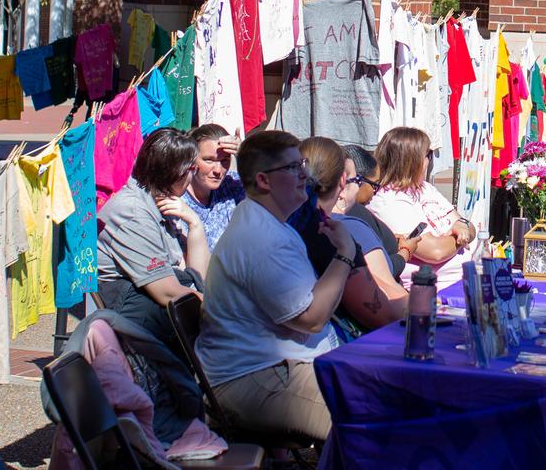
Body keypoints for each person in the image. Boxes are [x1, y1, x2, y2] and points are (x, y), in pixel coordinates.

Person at [198, 130, 358, 445]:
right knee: (368, 419)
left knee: (384, 395)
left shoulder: (271, 225)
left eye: (303, 166)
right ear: (264, 181)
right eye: (292, 168)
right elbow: (311, 318)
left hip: (281, 367)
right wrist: (345, 254)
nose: (304, 175)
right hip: (254, 378)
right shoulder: (261, 238)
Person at [96, 128, 212, 345]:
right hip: (137, 319)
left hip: (157, 310)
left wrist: (195, 224)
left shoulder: (161, 201)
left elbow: (198, 276)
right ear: (173, 171)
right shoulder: (133, 213)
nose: (193, 176)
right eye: (192, 169)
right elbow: (166, 293)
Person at [298, 137, 408, 332]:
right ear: (342, 181)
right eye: (357, 180)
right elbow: (384, 312)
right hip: (335, 351)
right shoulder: (341, 229)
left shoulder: (282, 222)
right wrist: (424, 301)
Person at [368, 126, 478, 289]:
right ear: (411, 161)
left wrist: (462, 226)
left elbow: (469, 226)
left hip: (466, 282)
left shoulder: (425, 188)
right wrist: (460, 236)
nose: (430, 161)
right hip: (435, 291)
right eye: (428, 155)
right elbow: (435, 252)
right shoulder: (388, 200)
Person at [340, 144, 406, 278]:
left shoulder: (351, 212)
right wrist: (405, 253)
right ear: (356, 179)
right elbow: (379, 271)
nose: (376, 192)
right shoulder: (351, 214)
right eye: (374, 185)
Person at [183, 124, 245, 248]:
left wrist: (244, 156)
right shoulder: (178, 201)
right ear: (191, 159)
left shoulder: (232, 185)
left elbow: (268, 197)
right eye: (209, 160)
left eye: (224, 161)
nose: (218, 170)